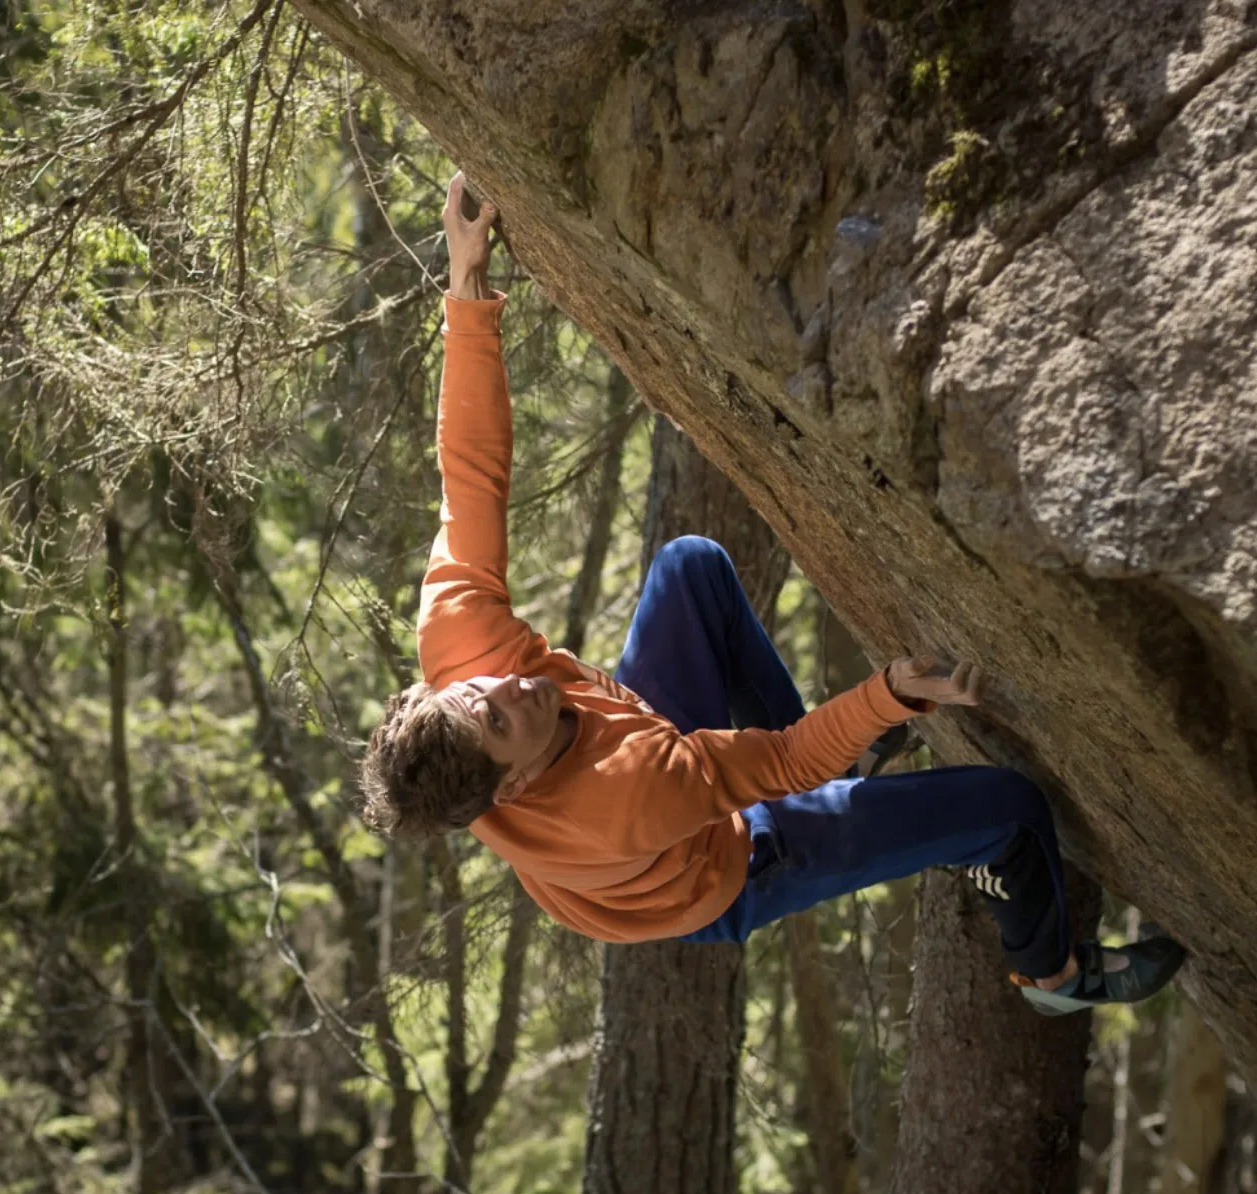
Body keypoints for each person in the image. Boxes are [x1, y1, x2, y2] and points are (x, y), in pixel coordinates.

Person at [359, 174, 1185, 1014]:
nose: (507, 684)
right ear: (510, 787)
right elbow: (781, 764)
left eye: (475, 692)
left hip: (658, 766)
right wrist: (890, 696)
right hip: (722, 868)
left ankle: (851, 771)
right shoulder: (629, 796)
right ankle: (1052, 977)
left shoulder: (463, 646)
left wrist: (465, 292)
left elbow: (469, 480)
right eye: (499, 720)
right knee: (1010, 810)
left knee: (691, 566)